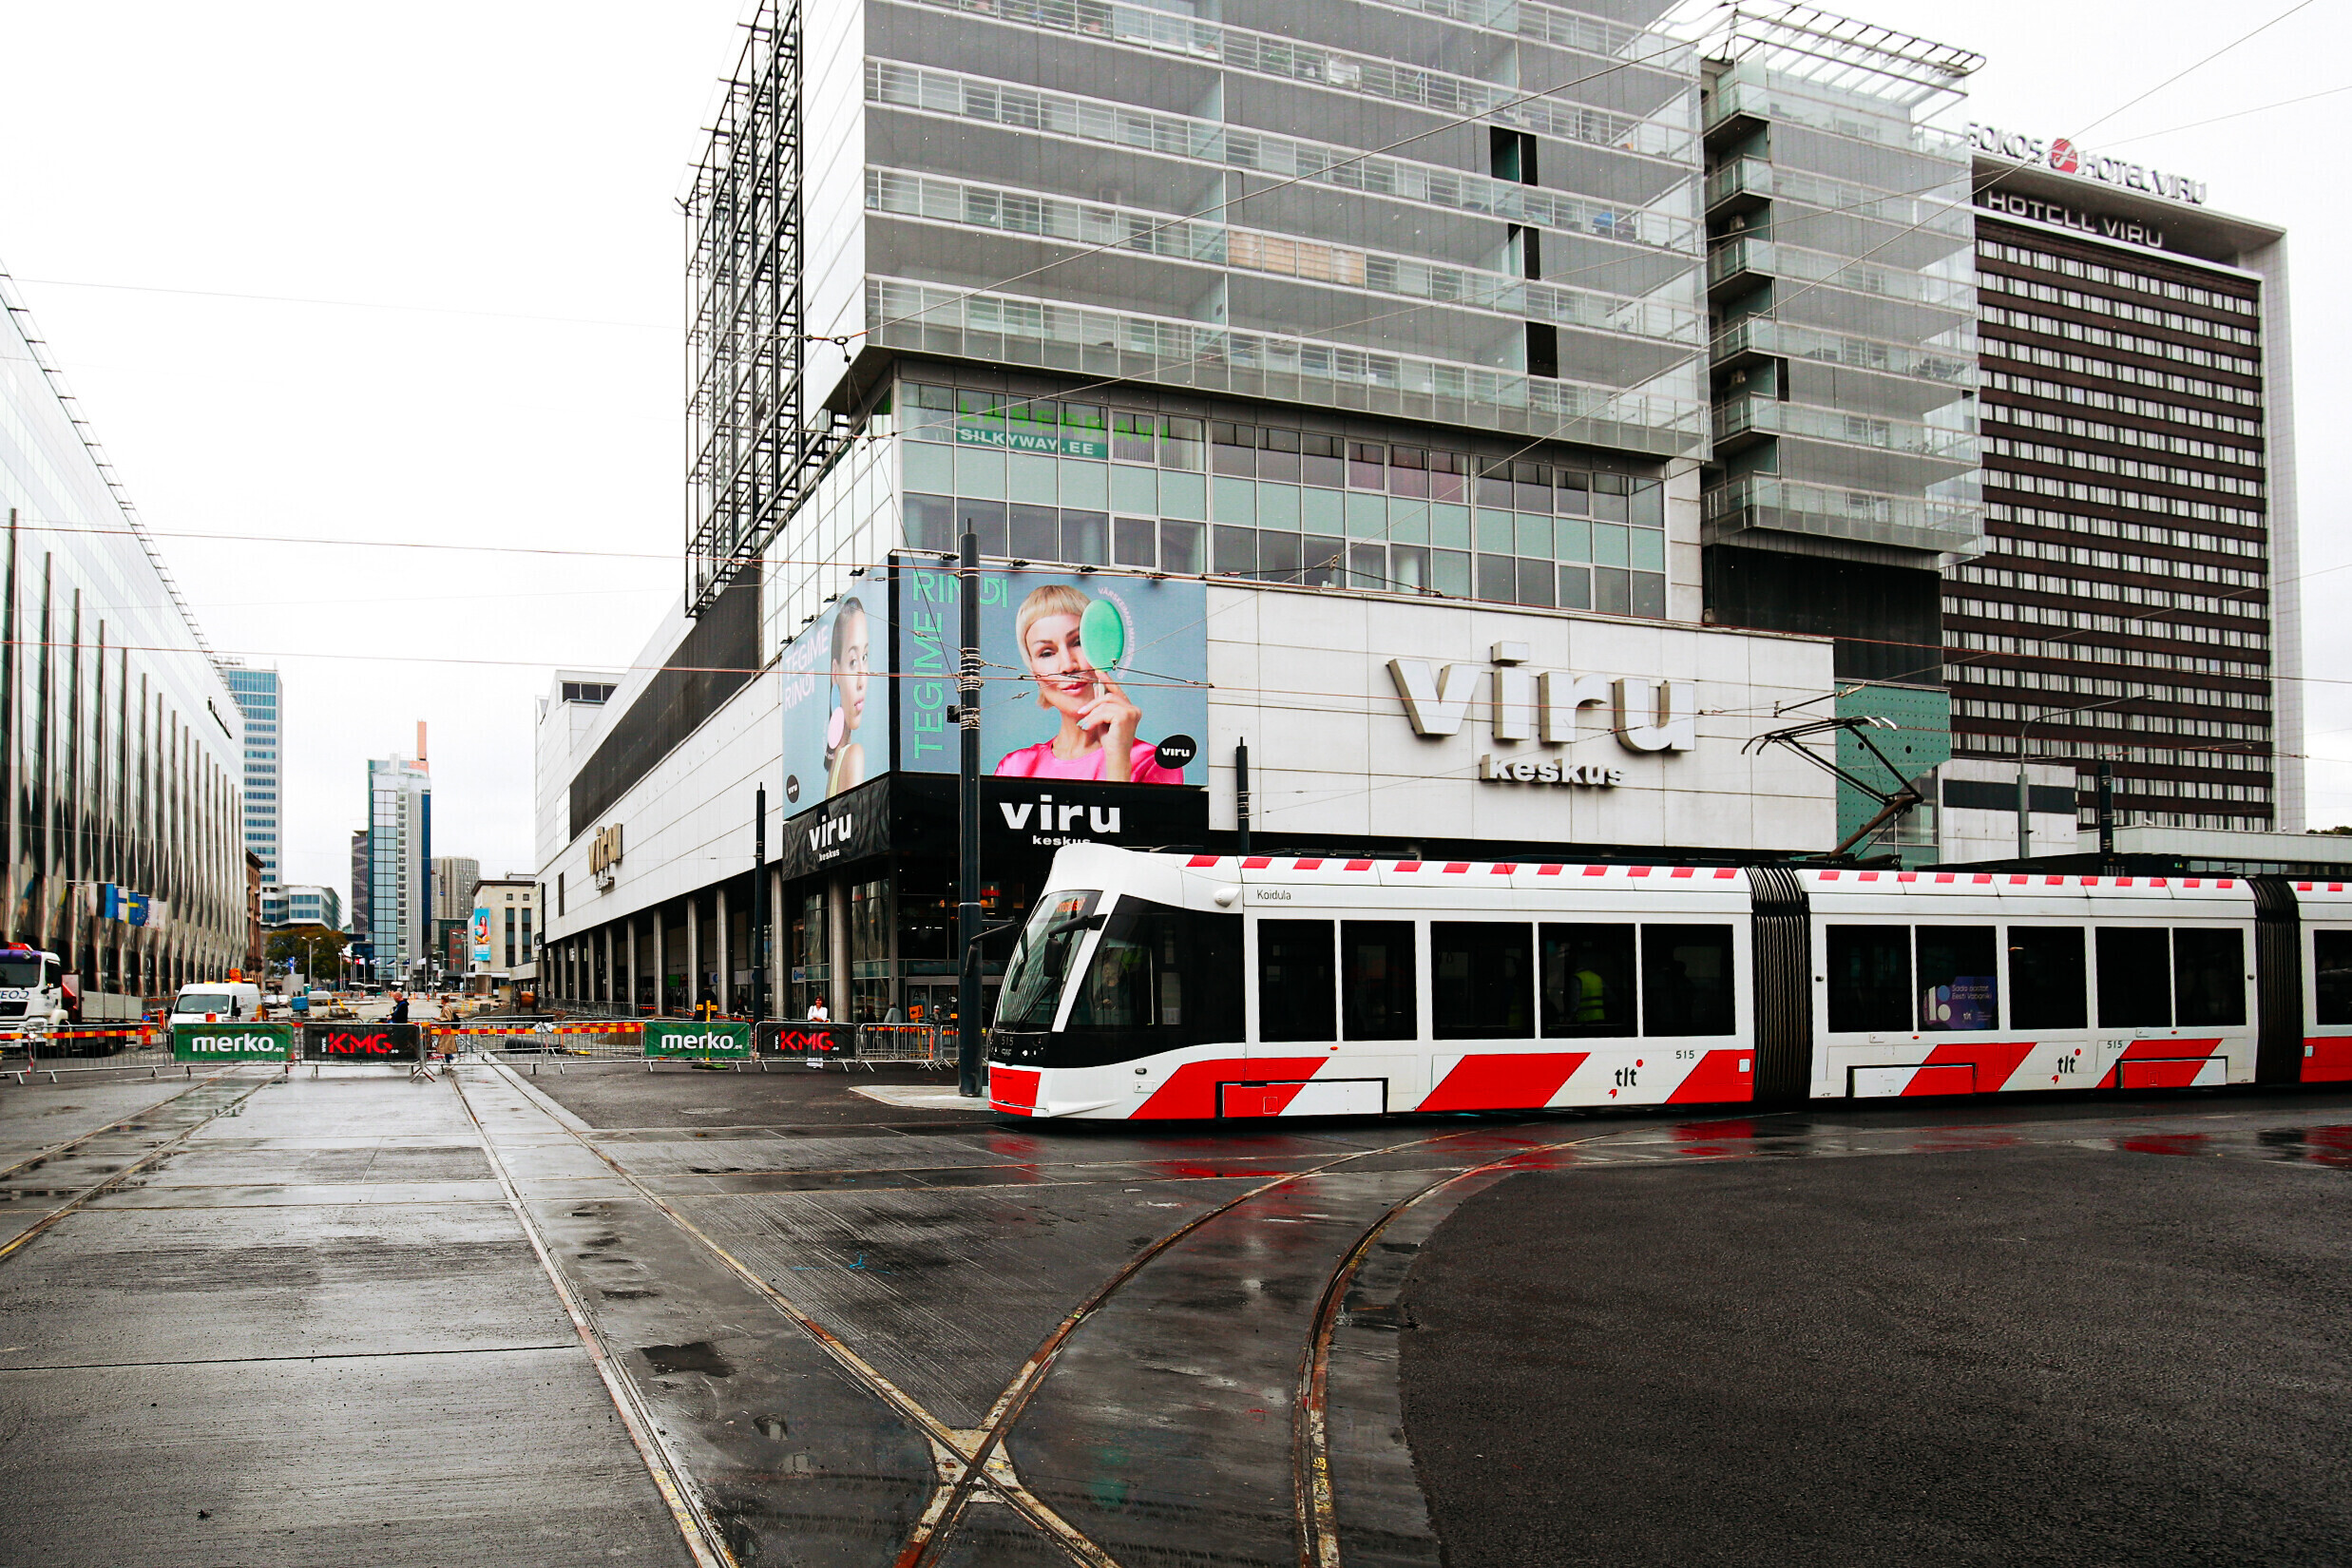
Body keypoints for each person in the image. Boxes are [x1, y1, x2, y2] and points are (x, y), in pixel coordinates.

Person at [993, 584, 1183, 784]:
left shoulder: (1153, 762)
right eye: (1047, 653)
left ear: (1102, 648)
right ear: (1034, 672)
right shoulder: (1016, 767)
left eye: (1078, 643)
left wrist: (1118, 759)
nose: (1068, 665)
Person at [825, 597, 870, 798]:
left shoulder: (835, 761)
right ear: (835, 672)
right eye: (853, 662)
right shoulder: (853, 755)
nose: (862, 680)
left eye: (865, 657)